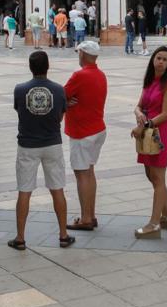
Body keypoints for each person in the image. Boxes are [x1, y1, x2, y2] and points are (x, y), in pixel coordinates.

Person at [9, 49, 73, 250]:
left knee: (24, 192)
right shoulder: (58, 90)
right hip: (52, 143)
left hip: (27, 145)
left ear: (30, 67)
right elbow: (60, 116)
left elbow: (20, 111)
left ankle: (20, 237)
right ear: (48, 67)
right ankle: (63, 234)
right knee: (57, 190)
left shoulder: (20, 89)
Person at [132, 47, 167, 239]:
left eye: (165, 60)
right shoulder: (149, 82)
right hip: (146, 134)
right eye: (158, 58)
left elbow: (166, 114)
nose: (161, 62)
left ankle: (154, 224)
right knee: (151, 175)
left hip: (158, 135)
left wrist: (144, 124)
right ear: (153, 60)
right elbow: (139, 105)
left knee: (158, 178)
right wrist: (138, 113)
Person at [65, 40, 108, 231]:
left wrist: (66, 103)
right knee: (89, 173)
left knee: (81, 174)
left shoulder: (79, 75)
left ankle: (85, 218)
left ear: (82, 54)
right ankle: (91, 214)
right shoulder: (101, 75)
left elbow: (61, 95)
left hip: (82, 131)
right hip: (97, 128)